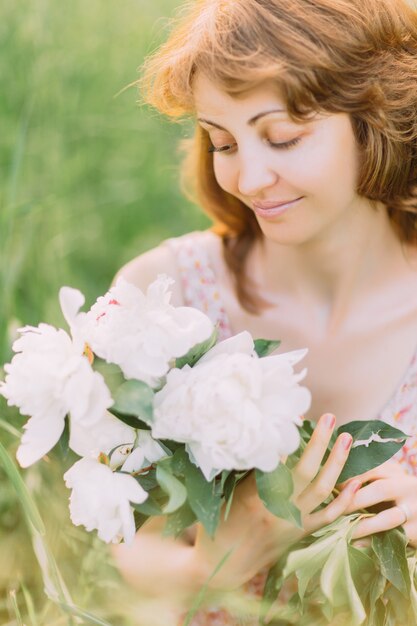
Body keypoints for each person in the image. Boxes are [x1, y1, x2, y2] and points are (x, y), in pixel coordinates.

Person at [112, 0, 417, 623]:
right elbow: (125, 546)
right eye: (222, 141)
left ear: (377, 116)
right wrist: (213, 563)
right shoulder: (163, 296)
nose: (249, 178)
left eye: (283, 137)